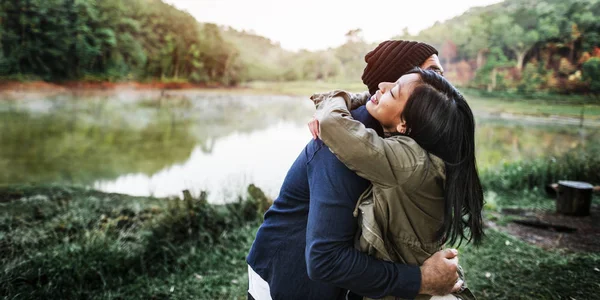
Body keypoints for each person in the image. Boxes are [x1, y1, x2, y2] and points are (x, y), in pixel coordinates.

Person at [247, 40, 463, 300]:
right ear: (401, 83)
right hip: (291, 275)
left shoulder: (410, 139)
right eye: (432, 73)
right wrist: (420, 280)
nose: (443, 82)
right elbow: (326, 259)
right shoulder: (342, 141)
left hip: (343, 278)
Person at [308, 68, 484, 299]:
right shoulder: (429, 157)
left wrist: (340, 99)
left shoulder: (407, 162)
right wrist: (372, 98)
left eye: (393, 92)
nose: (382, 84)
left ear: (404, 124)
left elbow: (331, 122)